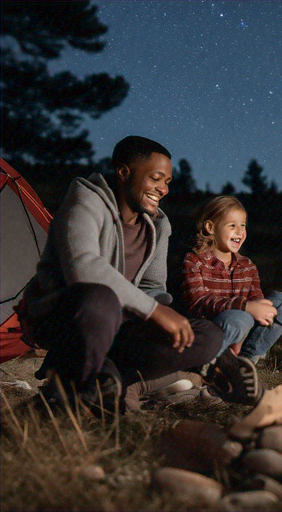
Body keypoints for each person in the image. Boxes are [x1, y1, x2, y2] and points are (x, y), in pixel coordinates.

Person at [19, 136, 262, 415]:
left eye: (168, 182)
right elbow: (83, 268)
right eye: (156, 178)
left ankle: (101, 384)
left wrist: (164, 319)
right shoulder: (85, 201)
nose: (163, 189)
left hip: (122, 323)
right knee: (100, 298)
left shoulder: (157, 225)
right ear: (124, 173)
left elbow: (152, 287)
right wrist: (154, 311)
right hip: (65, 317)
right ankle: (84, 380)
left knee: (206, 335)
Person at [181, 196, 282, 364]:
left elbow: (256, 297)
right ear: (211, 227)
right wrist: (244, 306)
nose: (240, 231)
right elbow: (198, 303)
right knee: (238, 318)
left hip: (244, 326)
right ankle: (207, 361)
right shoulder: (194, 261)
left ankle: (247, 359)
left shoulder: (247, 265)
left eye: (243, 225)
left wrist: (259, 307)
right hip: (212, 329)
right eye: (232, 225)